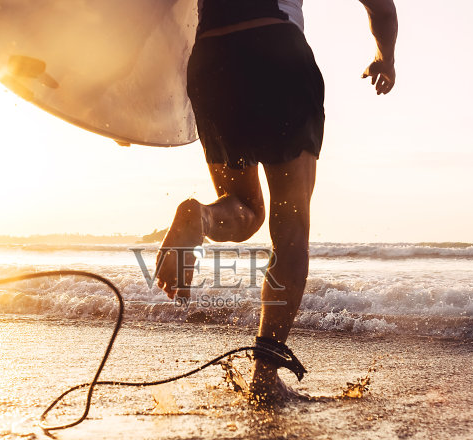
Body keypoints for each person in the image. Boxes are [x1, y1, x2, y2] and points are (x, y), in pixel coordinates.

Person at [155, 0, 398, 404]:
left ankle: (201, 218)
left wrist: (130, 108)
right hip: (278, 52)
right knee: (290, 231)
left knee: (242, 207)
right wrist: (384, 57)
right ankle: (264, 375)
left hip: (213, 59)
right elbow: (381, 8)